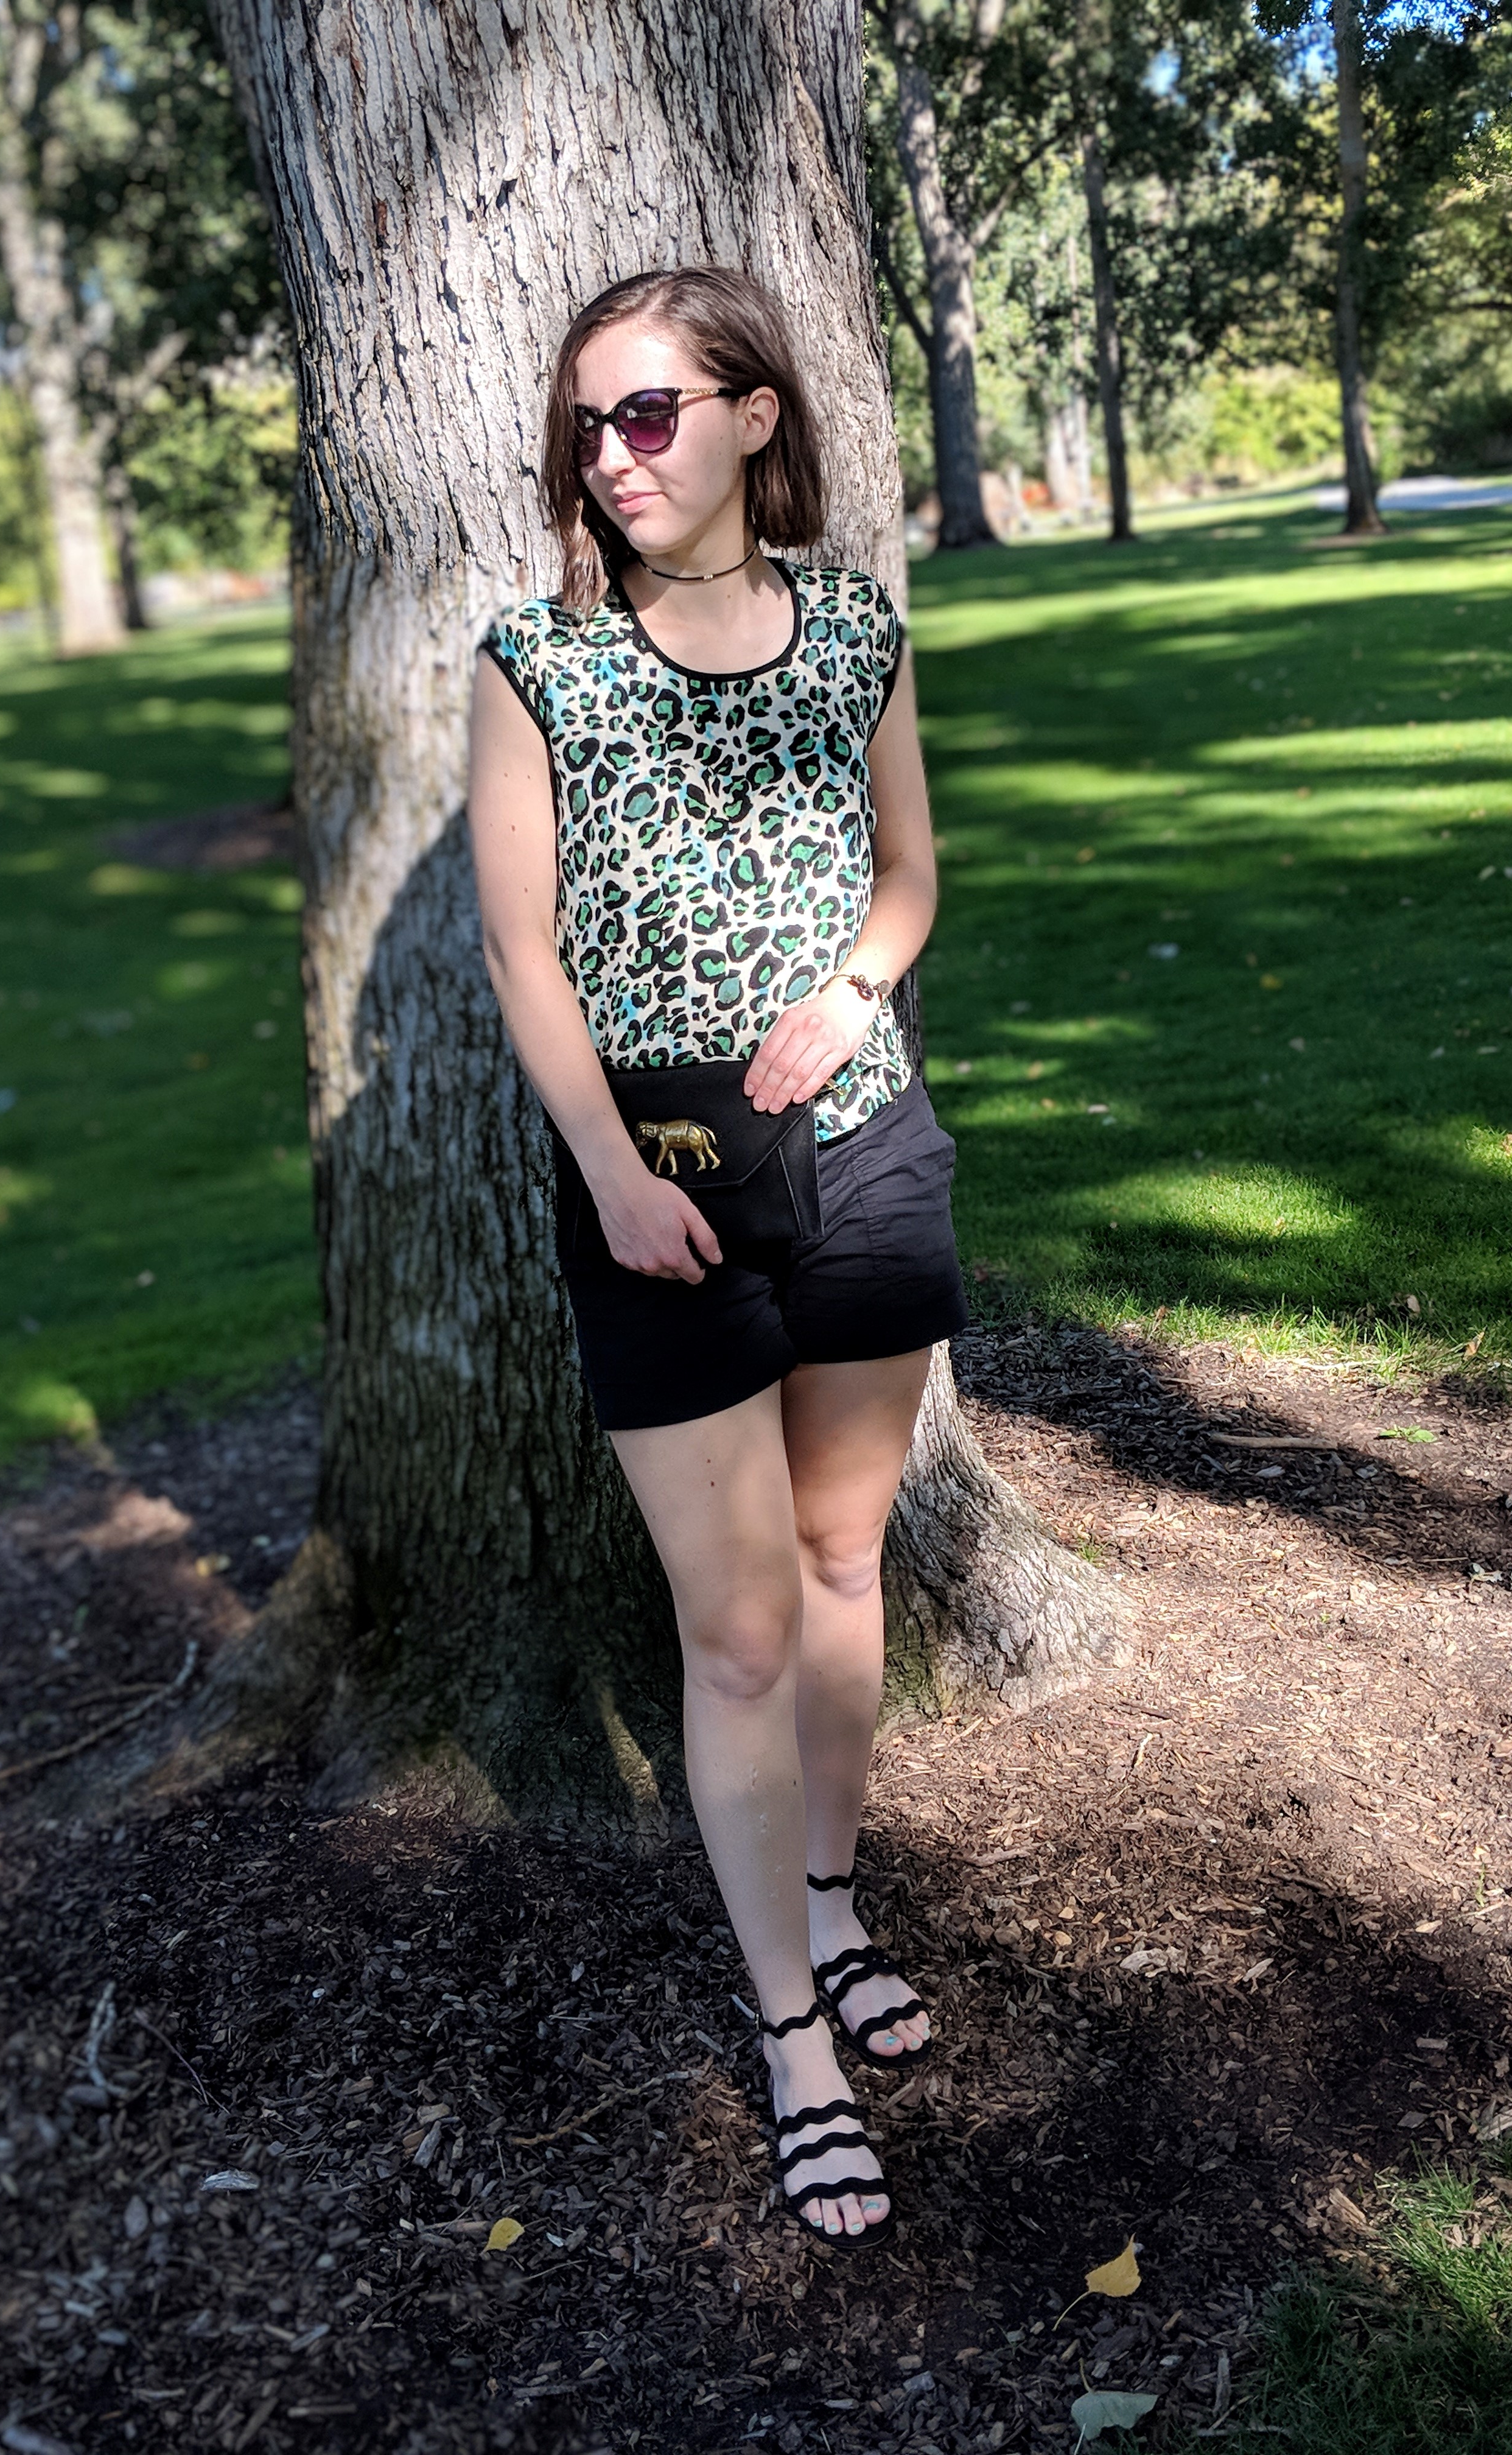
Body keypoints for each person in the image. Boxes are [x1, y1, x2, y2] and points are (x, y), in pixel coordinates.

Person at [466, 266, 967, 2250]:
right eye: (590, 427)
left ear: (759, 415)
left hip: (861, 1154)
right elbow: (520, 952)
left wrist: (854, 992)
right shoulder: (539, 659)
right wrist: (605, 1170)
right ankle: (791, 2036)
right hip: (660, 1185)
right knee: (742, 1629)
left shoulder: (854, 629)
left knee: (847, 1562)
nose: (615, 458)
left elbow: (911, 871)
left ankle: (834, 1910)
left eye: (652, 413)